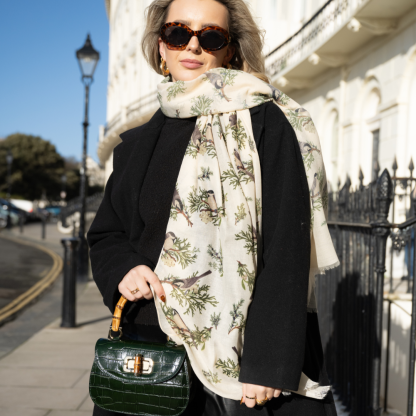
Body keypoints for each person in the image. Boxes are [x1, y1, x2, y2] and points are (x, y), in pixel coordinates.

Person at [87, 0, 340, 415]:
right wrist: (124, 270)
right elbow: (107, 234)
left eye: (211, 36)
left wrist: (270, 363)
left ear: (230, 50)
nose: (193, 45)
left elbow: (285, 246)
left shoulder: (268, 123)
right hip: (150, 353)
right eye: (177, 32)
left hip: (244, 363)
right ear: (161, 46)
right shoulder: (134, 147)